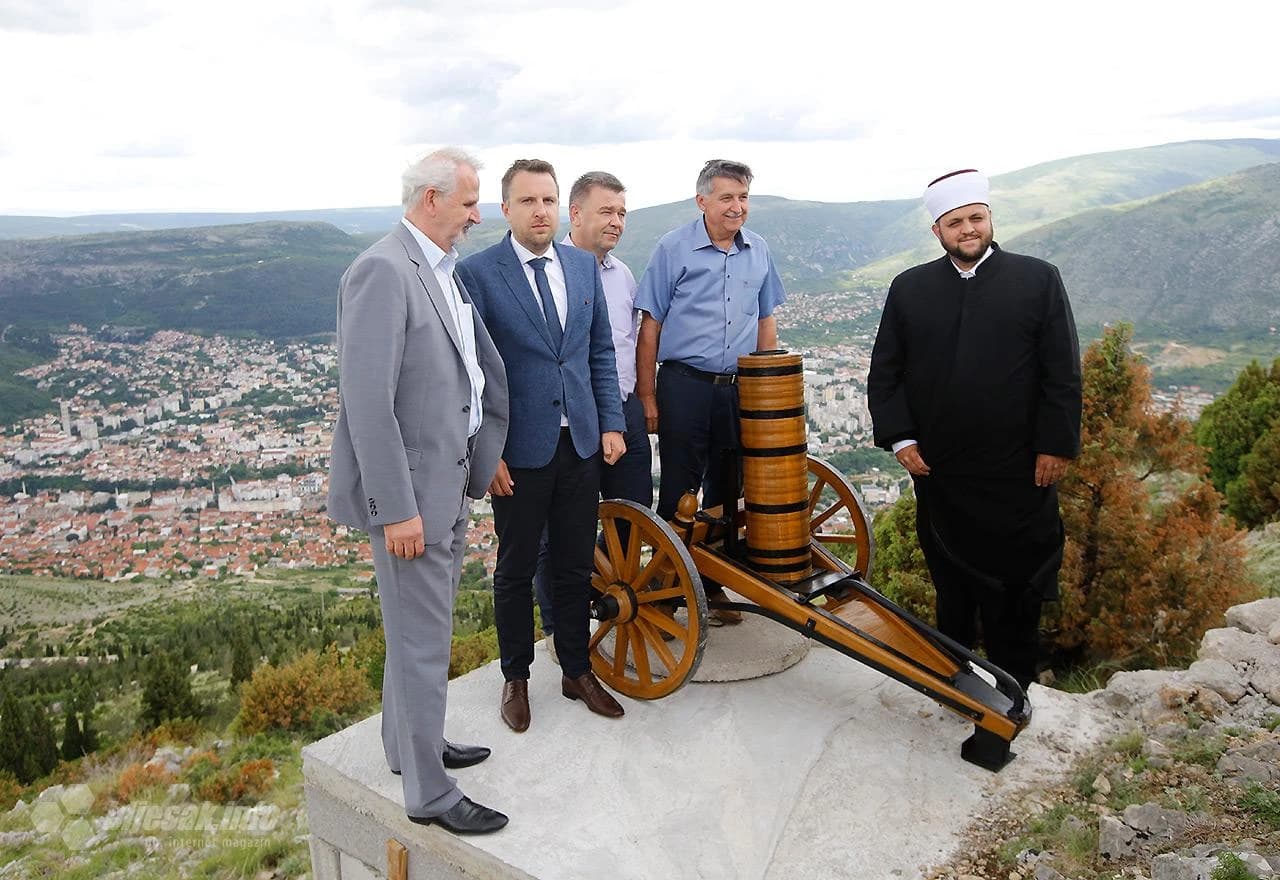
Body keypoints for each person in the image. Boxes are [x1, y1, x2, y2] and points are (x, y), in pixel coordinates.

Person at [327, 148, 510, 834]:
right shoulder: (382, 268)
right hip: (412, 499)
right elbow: (366, 401)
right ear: (430, 199)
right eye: (468, 201)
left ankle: (412, 748)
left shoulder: (436, 269)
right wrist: (396, 507)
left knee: (417, 636)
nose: (477, 214)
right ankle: (431, 795)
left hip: (447, 483)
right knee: (422, 644)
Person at [866, 168, 1082, 690]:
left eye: (976, 218)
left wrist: (1055, 447)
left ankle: (1016, 691)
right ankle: (952, 680)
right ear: (937, 231)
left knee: (1018, 586)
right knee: (952, 585)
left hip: (1019, 471)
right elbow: (886, 372)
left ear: (990, 220)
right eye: (956, 222)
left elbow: (1062, 371)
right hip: (941, 471)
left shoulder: (1038, 278)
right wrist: (902, 439)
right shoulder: (910, 288)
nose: (968, 229)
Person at [457, 159, 627, 732]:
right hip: (518, 451)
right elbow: (471, 372)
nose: (541, 211)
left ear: (561, 207)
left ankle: (577, 672)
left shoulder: (582, 268)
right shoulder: (478, 273)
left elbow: (599, 351)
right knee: (515, 568)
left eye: (549, 200)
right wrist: (488, 452)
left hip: (579, 443)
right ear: (505, 209)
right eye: (528, 201)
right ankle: (516, 678)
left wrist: (609, 423)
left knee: (577, 565)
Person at [634, 159, 786, 623]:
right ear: (702, 201)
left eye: (742, 198)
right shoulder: (672, 247)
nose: (737, 207)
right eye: (726, 198)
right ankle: (662, 592)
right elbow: (650, 325)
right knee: (681, 489)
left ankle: (714, 587)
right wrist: (647, 397)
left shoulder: (758, 249)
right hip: (684, 384)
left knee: (729, 490)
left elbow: (765, 322)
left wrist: (765, 390)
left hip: (738, 390)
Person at [533, 171, 652, 661]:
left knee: (633, 519)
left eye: (622, 213)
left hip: (624, 410)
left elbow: (620, 347)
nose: (617, 222)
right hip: (574, 420)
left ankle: (612, 605)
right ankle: (563, 630)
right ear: (575, 214)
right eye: (606, 211)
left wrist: (639, 405)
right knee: (558, 531)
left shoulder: (622, 275)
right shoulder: (552, 272)